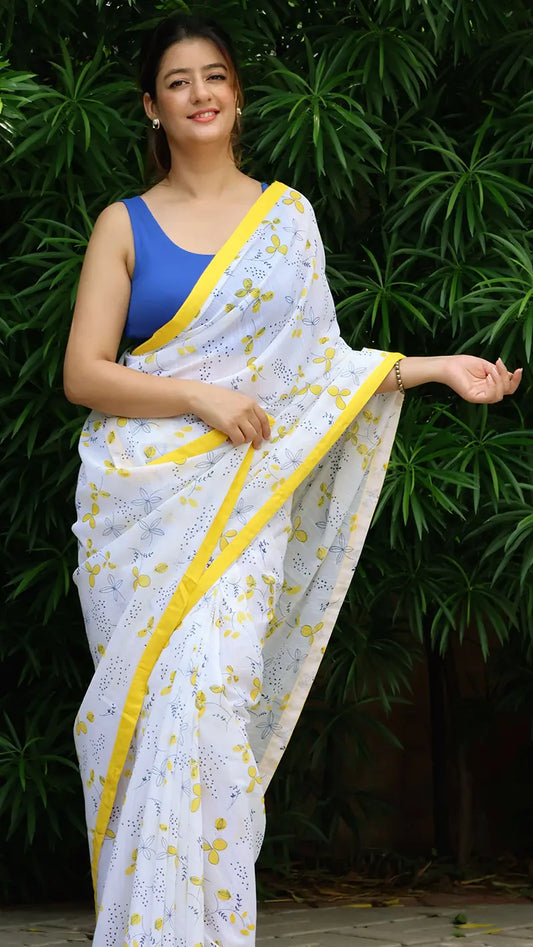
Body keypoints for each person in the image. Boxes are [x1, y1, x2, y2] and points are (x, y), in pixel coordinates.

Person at [63, 13, 521, 947]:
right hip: (143, 509)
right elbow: (85, 373)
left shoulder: (287, 218)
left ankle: (212, 930)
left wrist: (433, 366)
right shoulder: (123, 223)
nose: (200, 94)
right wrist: (196, 396)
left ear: (237, 96)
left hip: (248, 500)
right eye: (178, 81)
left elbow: (317, 369)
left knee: (217, 696)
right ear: (151, 106)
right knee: (151, 713)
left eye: (215, 76)